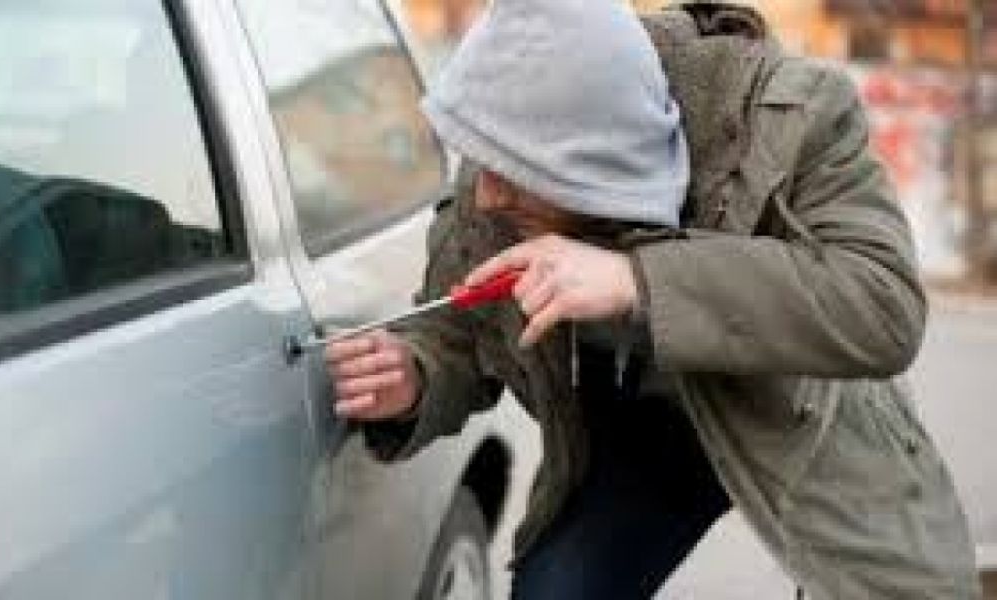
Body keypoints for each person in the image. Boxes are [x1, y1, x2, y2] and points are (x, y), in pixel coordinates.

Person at [326, 0, 982, 597]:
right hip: (641, 436)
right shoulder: (508, 146)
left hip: (797, 411)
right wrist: (415, 374)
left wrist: (636, 281)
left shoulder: (795, 117)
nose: (487, 195)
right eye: (483, 163)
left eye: (514, 176)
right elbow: (459, 332)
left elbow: (881, 304)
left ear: (596, 162)